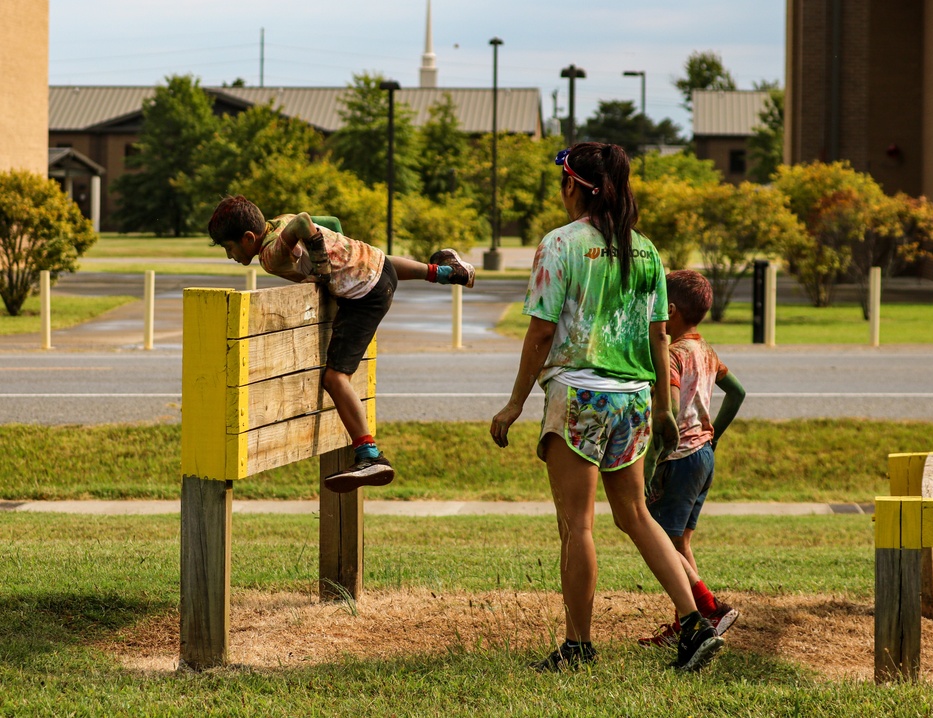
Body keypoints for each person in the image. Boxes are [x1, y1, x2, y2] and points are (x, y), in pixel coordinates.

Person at [490, 143, 724, 674]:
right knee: (637, 516)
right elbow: (659, 334)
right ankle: (693, 625)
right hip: (635, 399)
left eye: (562, 181)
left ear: (574, 186)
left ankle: (577, 646)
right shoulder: (645, 250)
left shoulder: (560, 245)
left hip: (578, 397)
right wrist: (662, 410)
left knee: (578, 525)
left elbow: (542, 332)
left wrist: (513, 404)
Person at [208, 195, 474, 493]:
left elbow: (303, 221)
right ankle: (446, 271)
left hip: (365, 297)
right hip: (378, 265)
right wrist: (328, 257)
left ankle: (370, 455)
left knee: (335, 378)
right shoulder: (281, 217)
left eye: (229, 248)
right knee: (376, 262)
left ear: (248, 238)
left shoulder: (270, 254)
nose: (230, 256)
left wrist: (321, 265)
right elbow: (329, 224)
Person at [640, 269, 747, 648]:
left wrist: (650, 471)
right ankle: (689, 624)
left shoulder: (670, 356)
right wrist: (713, 434)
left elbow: (665, 417)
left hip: (678, 458)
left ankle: (708, 608)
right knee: (681, 543)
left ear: (669, 309)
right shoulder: (706, 351)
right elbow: (737, 393)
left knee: (662, 543)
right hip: (703, 457)